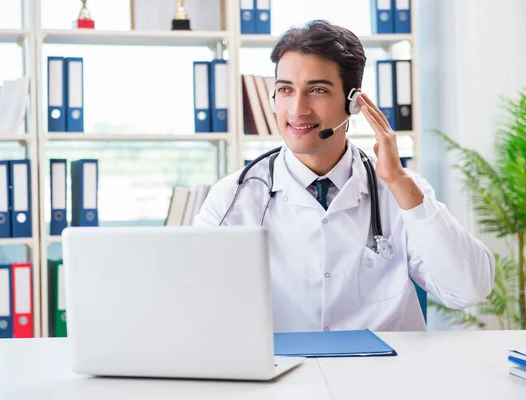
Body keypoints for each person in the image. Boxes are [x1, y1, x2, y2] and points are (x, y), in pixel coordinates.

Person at [193, 20, 495, 332]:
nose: (297, 109)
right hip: (283, 375)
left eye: (317, 90)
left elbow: (468, 289)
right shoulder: (235, 195)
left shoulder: (401, 192)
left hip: (385, 376)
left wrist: (400, 183)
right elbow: (191, 296)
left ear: (353, 102)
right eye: (285, 90)